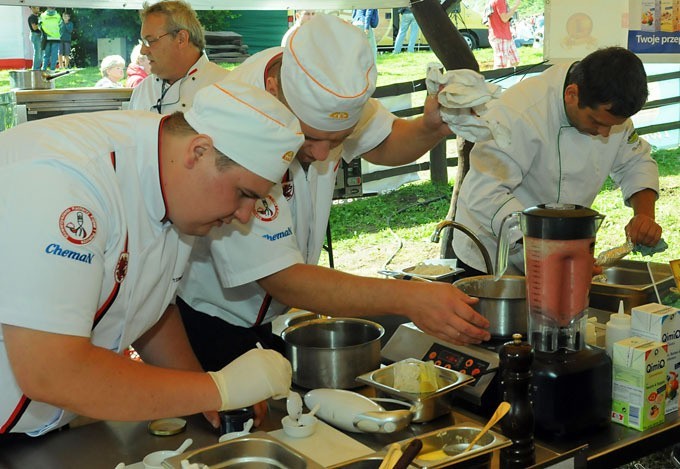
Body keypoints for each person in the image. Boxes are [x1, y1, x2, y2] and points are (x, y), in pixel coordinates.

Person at [176, 13, 491, 372]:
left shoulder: (330, 82)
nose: (322, 154)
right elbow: (284, 278)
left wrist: (430, 127)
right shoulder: (238, 120)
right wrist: (411, 297)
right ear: (274, 87)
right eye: (309, 138)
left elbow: (385, 141)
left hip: (275, 317)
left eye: (337, 141)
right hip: (212, 320)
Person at [0, 79, 304, 437]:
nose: (245, 215)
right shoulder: (64, 184)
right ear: (199, 151)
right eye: (242, 194)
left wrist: (200, 388)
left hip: (44, 424)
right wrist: (219, 388)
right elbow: (51, 371)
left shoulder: (173, 177)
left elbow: (150, 307)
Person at [453, 47, 662, 276]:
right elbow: (484, 194)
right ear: (571, 94)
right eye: (596, 121)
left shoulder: (607, 109)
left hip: (561, 250)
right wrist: (548, 249)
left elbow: (635, 163)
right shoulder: (520, 112)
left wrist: (644, 216)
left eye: (613, 126)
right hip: (493, 251)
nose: (605, 133)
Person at [128, 0, 228, 114]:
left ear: (181, 39)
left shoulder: (226, 88)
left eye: (150, 41)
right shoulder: (143, 90)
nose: (143, 51)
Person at [487, 0, 520, 69]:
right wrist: (515, 6)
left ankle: (508, 77)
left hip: (505, 36)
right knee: (500, 66)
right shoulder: (500, 1)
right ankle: (498, 79)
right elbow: (504, 18)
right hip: (500, 37)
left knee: (515, 61)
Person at [39, 7, 60, 71]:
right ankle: (52, 70)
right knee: (54, 55)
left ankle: (44, 69)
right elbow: (61, 26)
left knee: (46, 55)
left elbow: (40, 26)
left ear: (47, 7)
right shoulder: (58, 16)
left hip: (47, 38)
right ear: (54, 8)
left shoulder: (42, 16)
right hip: (56, 38)